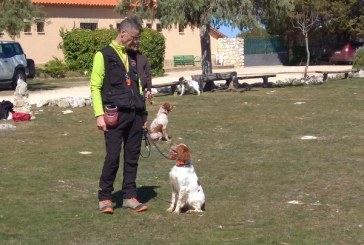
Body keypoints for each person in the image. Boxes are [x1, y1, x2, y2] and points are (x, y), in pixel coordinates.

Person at [90, 17, 148, 214]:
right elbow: (95, 87)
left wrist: (143, 113)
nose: (135, 41)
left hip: (135, 115)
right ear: (123, 33)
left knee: (132, 157)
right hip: (114, 115)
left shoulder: (133, 56)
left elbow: (137, 85)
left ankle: (129, 197)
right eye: (134, 37)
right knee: (113, 157)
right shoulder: (103, 55)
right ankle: (105, 198)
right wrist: (99, 115)